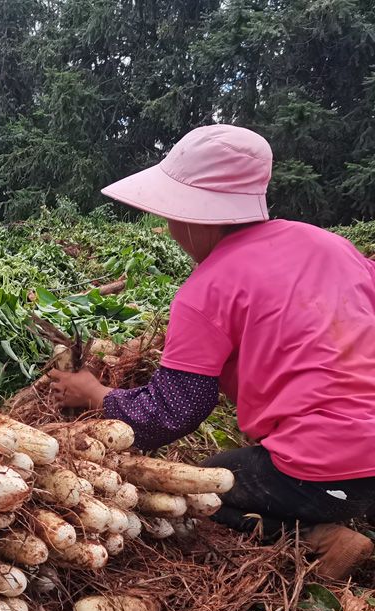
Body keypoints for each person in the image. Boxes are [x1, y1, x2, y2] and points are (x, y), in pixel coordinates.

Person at [50, 124, 375, 580]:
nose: (167, 229)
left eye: (168, 217)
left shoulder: (207, 290)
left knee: (205, 488)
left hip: (319, 469)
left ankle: (317, 539)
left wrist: (95, 395)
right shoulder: (333, 246)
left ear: (192, 216)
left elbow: (172, 412)